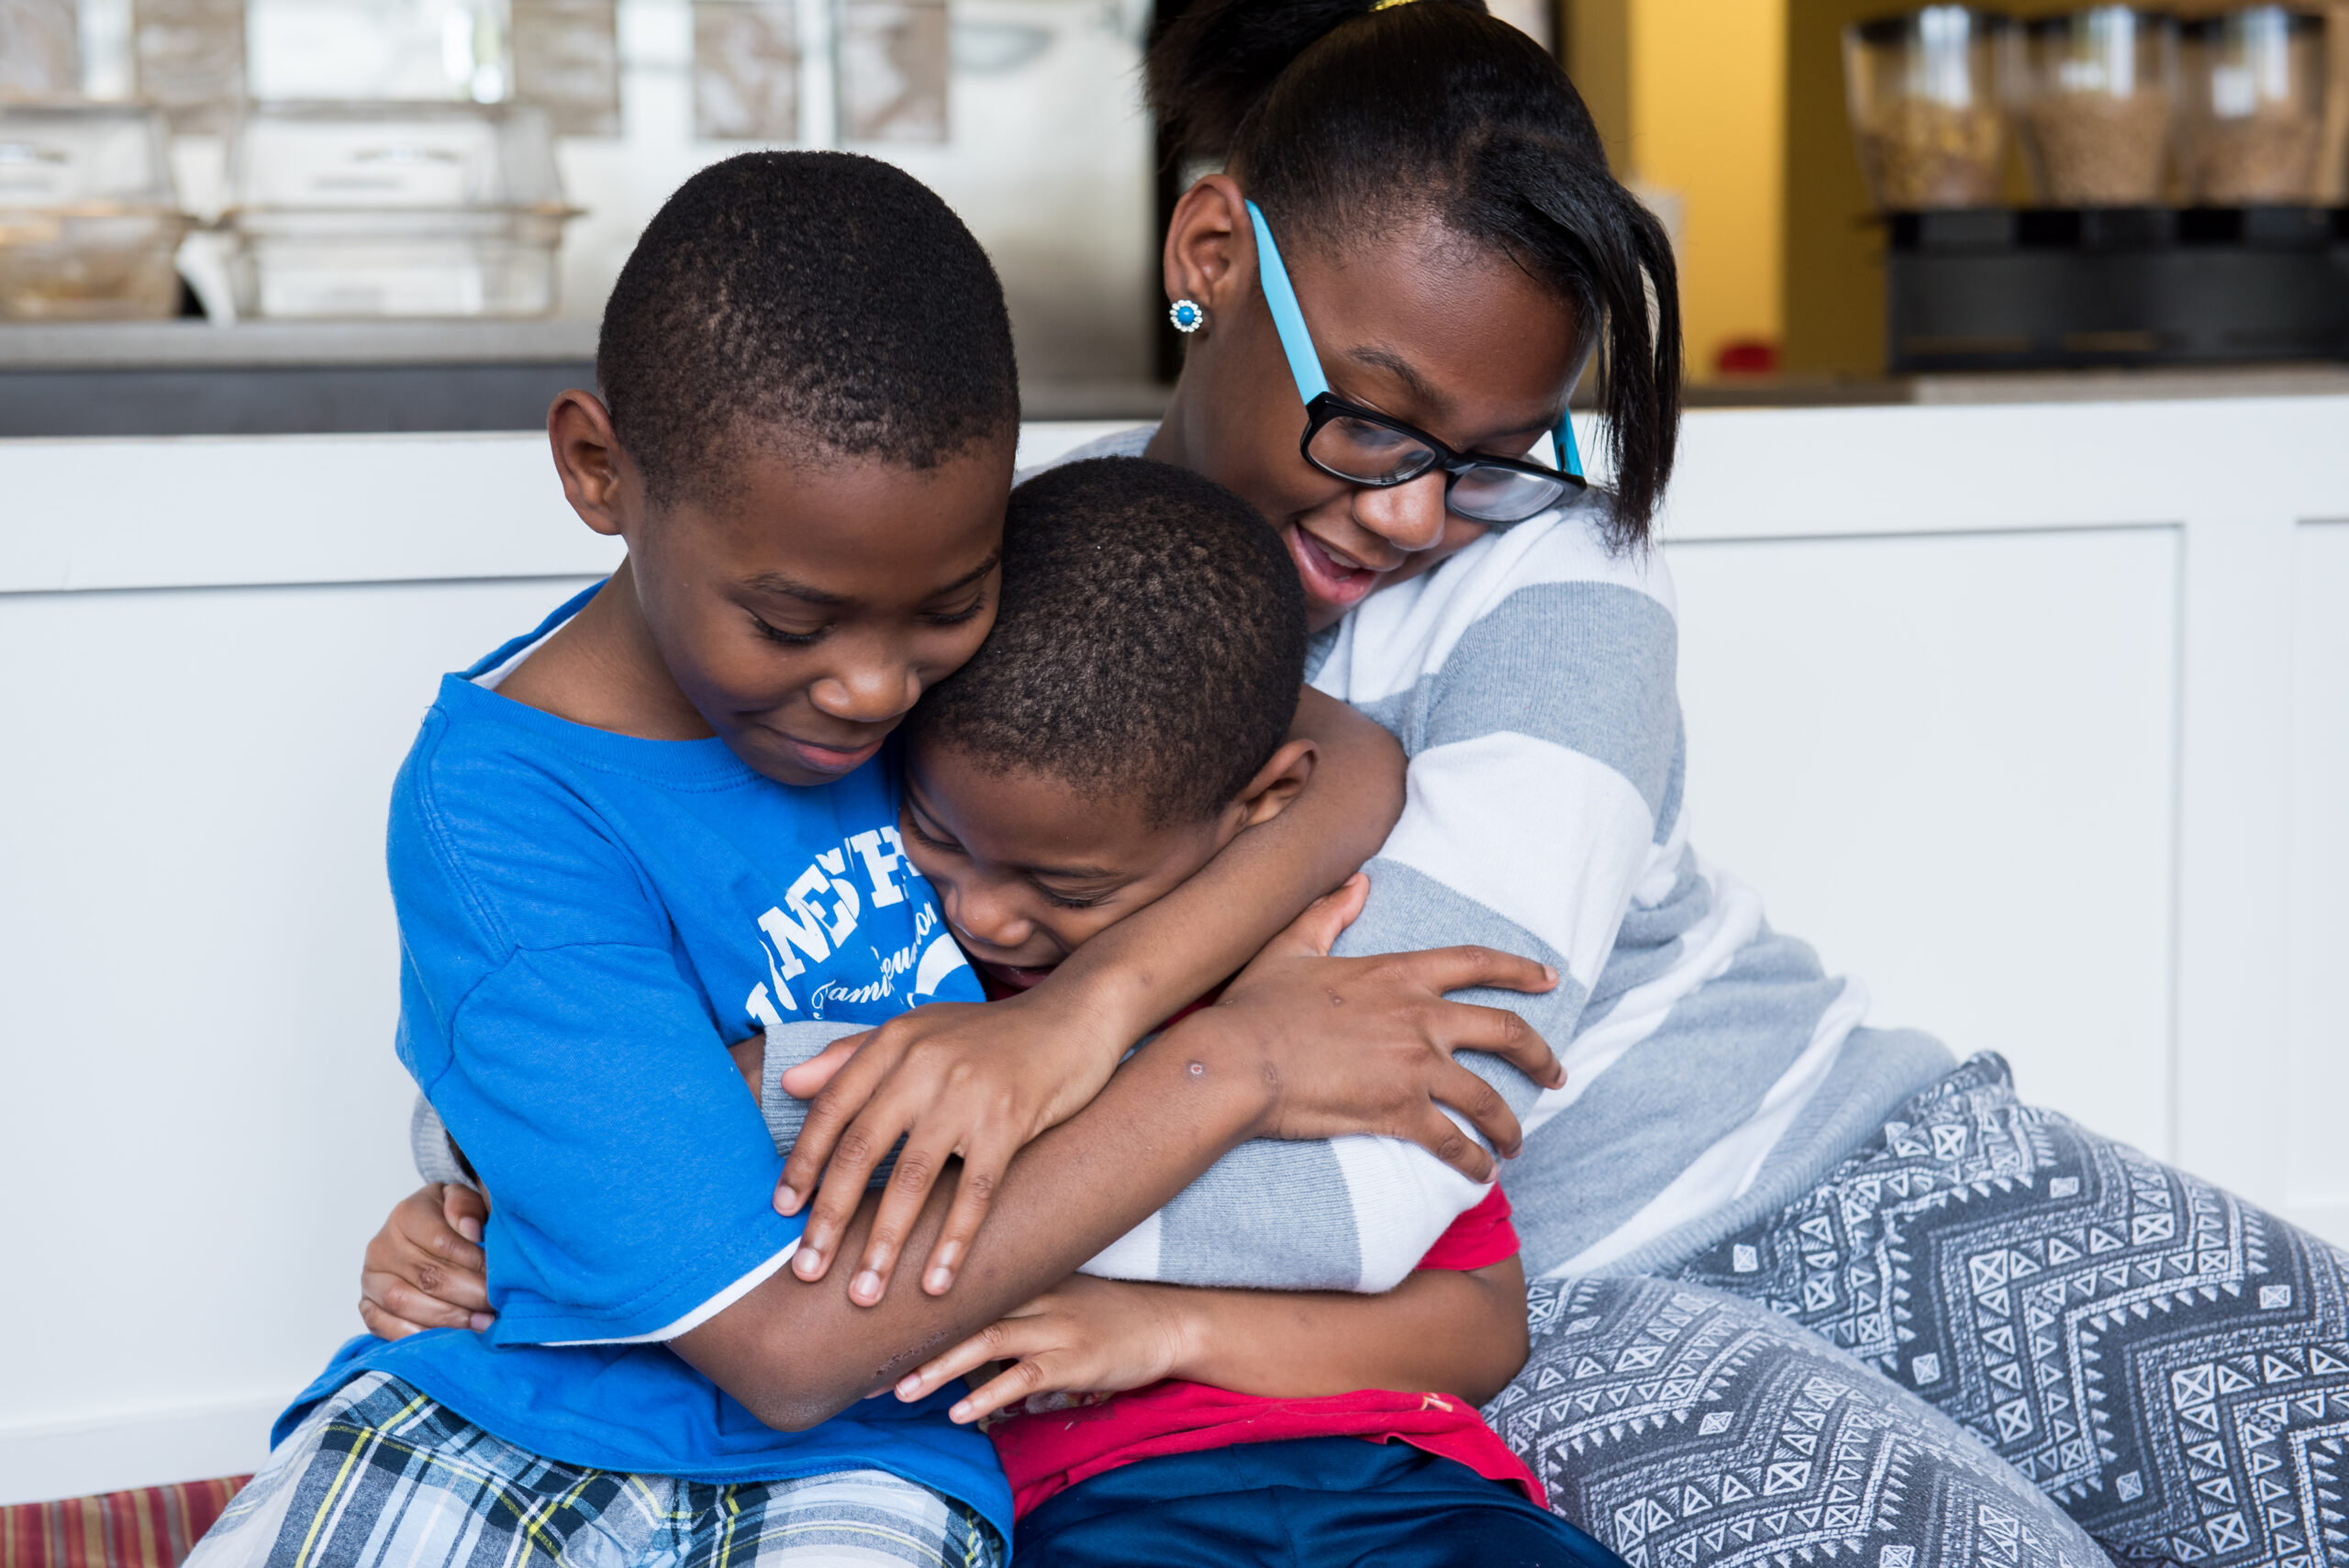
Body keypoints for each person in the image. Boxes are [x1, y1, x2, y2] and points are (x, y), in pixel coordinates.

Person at [374, 5, 2349, 1566]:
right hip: (1509, 1300)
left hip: (1820, 1141)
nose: (1411, 509)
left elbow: (1415, 1092)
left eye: (1491, 451)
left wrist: (1007, 1068)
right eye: (1371, 419)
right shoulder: (981, 568)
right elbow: (707, 884)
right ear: (1210, 256)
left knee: (2300, 1430)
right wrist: (530, 1188)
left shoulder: (1549, 579)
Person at [193, 151, 1567, 1568]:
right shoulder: (501, 816)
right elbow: (783, 1351)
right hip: (521, 1408)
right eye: (794, 624)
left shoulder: (935, 594)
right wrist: (1240, 1067)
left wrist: (1081, 1011)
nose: (869, 690)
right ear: (600, 473)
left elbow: (1344, 757)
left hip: (885, 1460)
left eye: (949, 607)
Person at [391, 454, 1624, 1568]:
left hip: (1409, 1480)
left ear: (1253, 806)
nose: (982, 914)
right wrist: (467, 1190)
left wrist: (1159, 1326)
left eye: (1062, 886)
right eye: (934, 836)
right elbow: (685, 1109)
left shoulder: (1297, 979)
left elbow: (1477, 1320)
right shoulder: (918, 987)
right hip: (1089, 1504)